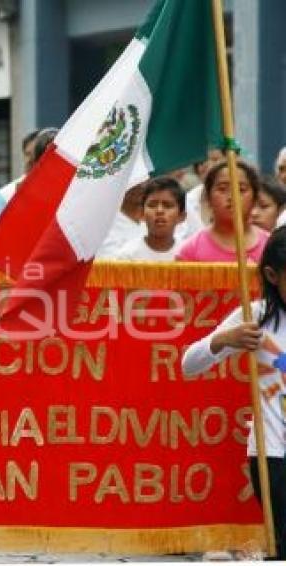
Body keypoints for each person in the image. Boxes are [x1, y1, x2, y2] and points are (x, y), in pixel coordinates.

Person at [182, 225, 286, 560]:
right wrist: (223, 340)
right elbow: (189, 364)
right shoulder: (255, 318)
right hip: (274, 455)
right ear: (272, 275)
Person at [176, 160, 268, 263]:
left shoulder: (271, 247)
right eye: (222, 189)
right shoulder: (191, 251)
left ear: (255, 199)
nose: (232, 196)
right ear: (208, 198)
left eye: (241, 190)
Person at [114, 177, 186, 261]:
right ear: (141, 214)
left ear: (181, 216)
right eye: (152, 205)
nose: (159, 211)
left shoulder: (188, 254)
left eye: (167, 205)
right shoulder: (127, 256)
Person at [177, 148, 225, 241]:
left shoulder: (241, 198)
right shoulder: (186, 202)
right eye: (202, 161)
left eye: (215, 160)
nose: (208, 165)